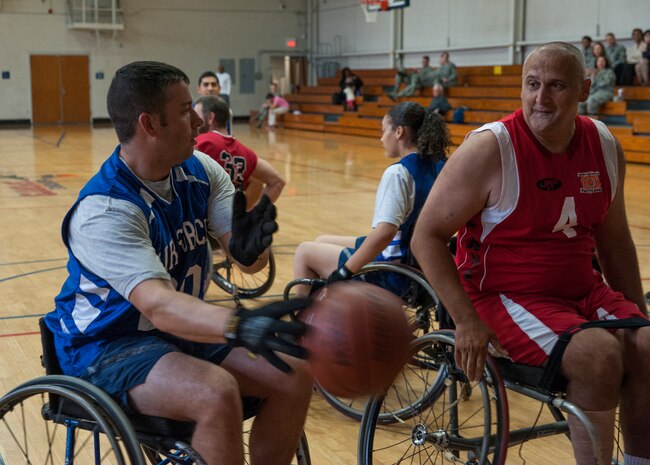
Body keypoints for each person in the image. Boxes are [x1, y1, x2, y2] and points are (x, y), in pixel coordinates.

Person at [45, 61, 313, 465]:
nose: (198, 121)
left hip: (175, 335)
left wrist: (249, 248)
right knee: (214, 390)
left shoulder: (202, 170)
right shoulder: (106, 209)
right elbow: (160, 306)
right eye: (186, 110)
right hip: (106, 346)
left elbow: (251, 266)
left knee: (293, 373)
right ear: (150, 124)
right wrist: (240, 325)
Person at [411, 42, 649, 465]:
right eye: (532, 85)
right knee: (598, 355)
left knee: (648, 343)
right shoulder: (491, 148)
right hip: (501, 296)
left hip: (581, 291)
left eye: (556, 86)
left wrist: (637, 315)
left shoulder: (605, 145)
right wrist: (465, 321)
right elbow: (426, 236)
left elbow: (614, 242)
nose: (541, 98)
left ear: (583, 90)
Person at [293, 102, 448, 294]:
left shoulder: (399, 173)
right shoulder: (439, 165)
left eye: (384, 131)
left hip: (393, 273)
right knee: (321, 239)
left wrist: (345, 270)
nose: (381, 138)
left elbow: (385, 233)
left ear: (399, 132)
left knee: (304, 252)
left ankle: (302, 320)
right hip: (422, 264)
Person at [195, 95, 285, 207]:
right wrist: (252, 216)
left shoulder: (201, 142)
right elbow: (278, 182)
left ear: (210, 117)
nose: (192, 120)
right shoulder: (246, 153)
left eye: (196, 115)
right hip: (229, 219)